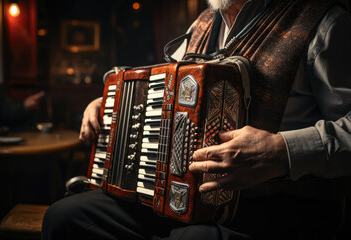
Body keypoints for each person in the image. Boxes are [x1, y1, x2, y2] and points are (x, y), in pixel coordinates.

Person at [42, 0, 351, 239]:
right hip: (183, 200)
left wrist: (282, 152)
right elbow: (165, 97)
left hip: (279, 207)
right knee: (65, 218)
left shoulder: (324, 21)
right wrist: (111, 105)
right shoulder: (202, 22)